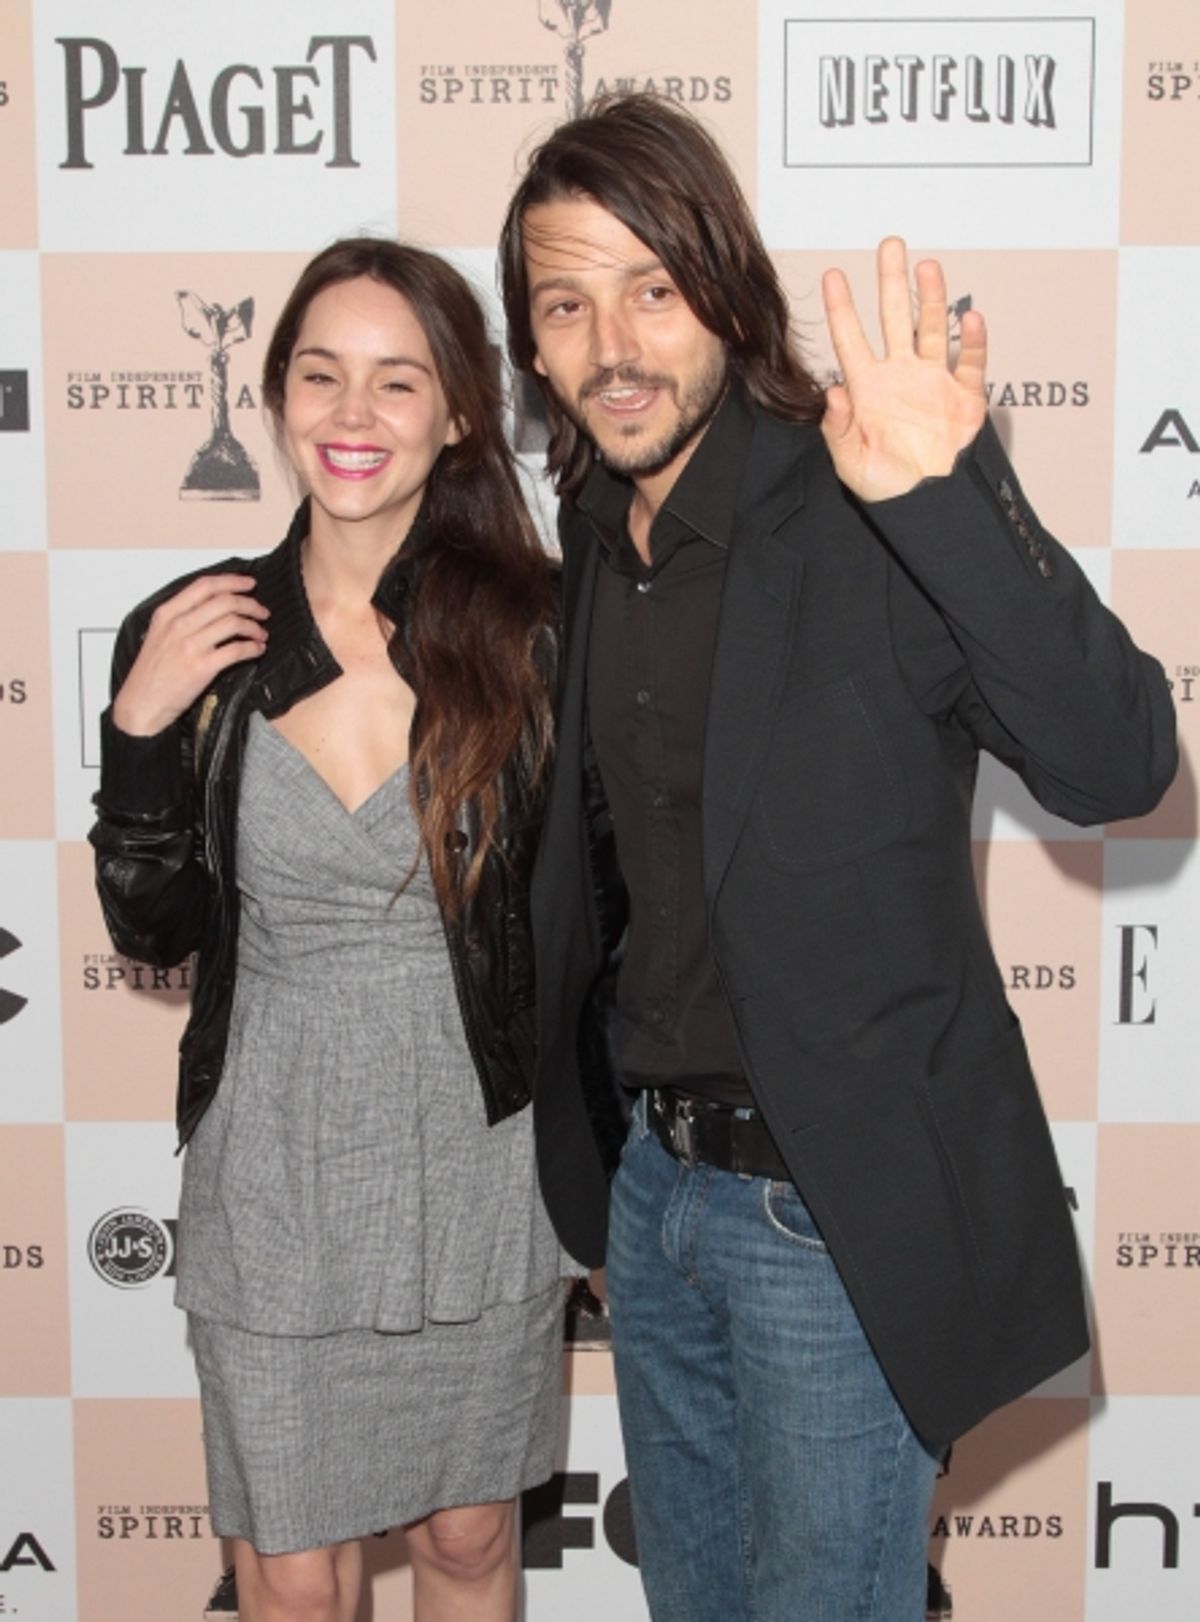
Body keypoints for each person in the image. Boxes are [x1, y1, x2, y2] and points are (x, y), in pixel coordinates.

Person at [498, 93, 1178, 1621]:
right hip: (655, 1207)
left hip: (831, 1215)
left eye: (651, 288)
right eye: (564, 300)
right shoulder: (598, 542)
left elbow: (1118, 757)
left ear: (727, 289)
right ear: (532, 344)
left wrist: (951, 495)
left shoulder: (866, 492)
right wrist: (603, 1186)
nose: (611, 341)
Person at [90, 238, 573, 1622]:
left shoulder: (532, 634)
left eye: (397, 381)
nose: (352, 417)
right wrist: (138, 731)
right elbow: (155, 922)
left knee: (472, 1540)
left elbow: (585, 914)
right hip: (277, 1160)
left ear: (461, 411)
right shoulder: (193, 635)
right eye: (321, 375)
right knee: (292, 1582)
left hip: (474, 1155)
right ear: (278, 393)